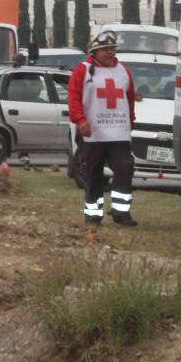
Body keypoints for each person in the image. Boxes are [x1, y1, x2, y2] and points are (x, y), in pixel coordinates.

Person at [68, 31, 138, 227]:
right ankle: (93, 214)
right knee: (93, 173)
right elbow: (73, 98)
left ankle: (121, 211)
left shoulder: (123, 71)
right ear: (94, 52)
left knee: (125, 167)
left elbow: (129, 98)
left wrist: (130, 121)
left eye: (112, 49)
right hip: (93, 134)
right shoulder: (83, 70)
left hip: (118, 133)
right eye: (105, 50)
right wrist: (80, 121)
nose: (110, 53)